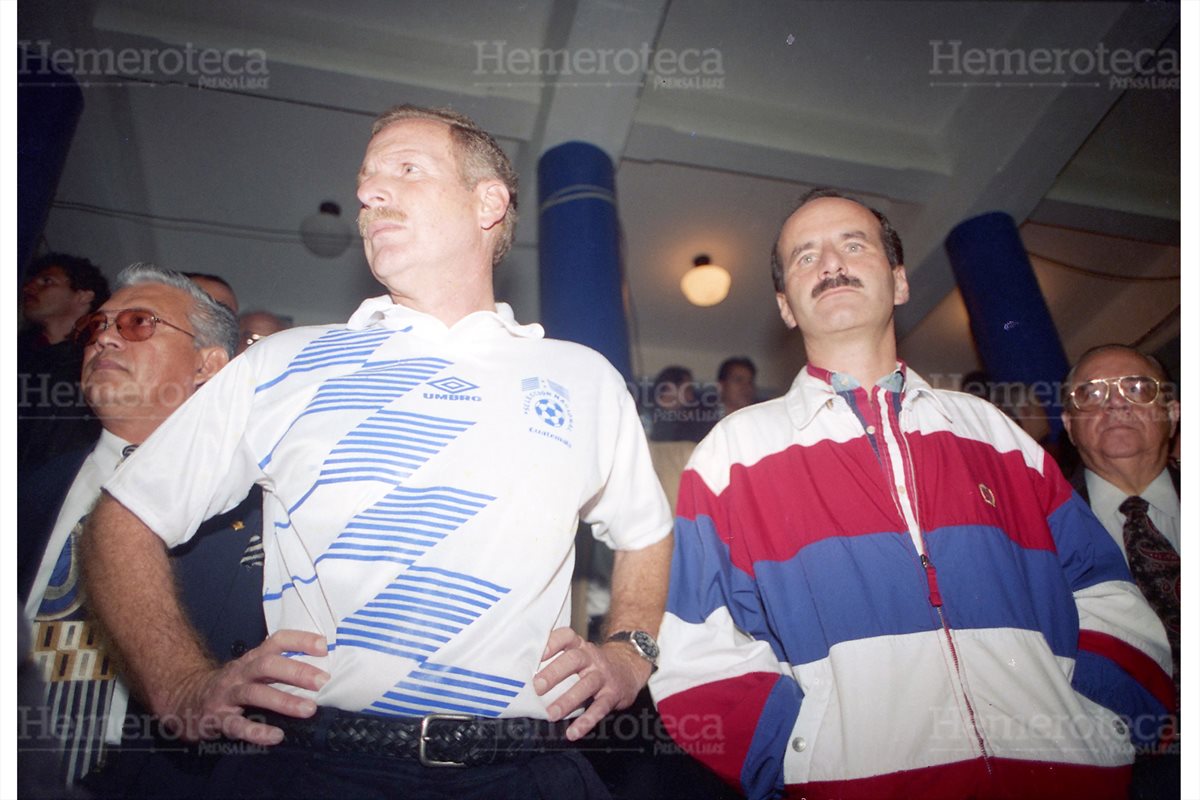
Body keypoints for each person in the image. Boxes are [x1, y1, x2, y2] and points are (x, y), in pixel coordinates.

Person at [81, 104, 672, 798]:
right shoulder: (283, 363)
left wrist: (631, 650)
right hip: (315, 764)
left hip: (530, 769)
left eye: (406, 169)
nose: (368, 194)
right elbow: (121, 519)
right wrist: (178, 684)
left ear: (488, 203)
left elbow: (647, 531)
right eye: (366, 180)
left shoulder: (585, 379)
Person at [649, 188, 1173, 799]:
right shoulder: (730, 455)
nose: (831, 264)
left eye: (853, 244)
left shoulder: (997, 435)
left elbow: (1107, 591)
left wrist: (1100, 724)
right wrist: (800, 763)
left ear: (899, 282)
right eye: (804, 257)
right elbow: (696, 650)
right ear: (785, 306)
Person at [18, 263, 264, 795]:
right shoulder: (29, 490)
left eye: (137, 323)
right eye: (96, 326)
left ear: (208, 365)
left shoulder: (267, 516)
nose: (103, 335)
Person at [1061, 344, 1180, 800]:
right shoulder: (1037, 535)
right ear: (1070, 427)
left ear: (1172, 411)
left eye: (1136, 388)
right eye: (1090, 393)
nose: (1115, 402)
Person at [18, 253, 111, 472]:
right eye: (31, 280)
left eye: (47, 281)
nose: (29, 287)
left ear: (83, 296)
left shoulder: (97, 367)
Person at [649, 365, 713, 443]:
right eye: (687, 389)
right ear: (670, 388)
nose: (691, 397)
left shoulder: (689, 420)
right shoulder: (646, 416)